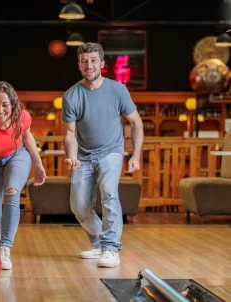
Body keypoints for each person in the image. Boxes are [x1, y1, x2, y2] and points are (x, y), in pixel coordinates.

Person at [62, 42, 143, 268]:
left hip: (111, 151)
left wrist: (135, 155)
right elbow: (70, 133)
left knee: (109, 194)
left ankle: (110, 248)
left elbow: (136, 122)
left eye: (93, 60)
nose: (89, 65)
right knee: (78, 206)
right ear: (79, 65)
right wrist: (72, 154)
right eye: (84, 61)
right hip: (84, 156)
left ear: (102, 64)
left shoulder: (118, 90)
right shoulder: (71, 95)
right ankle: (99, 243)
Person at [0, 81, 47, 270]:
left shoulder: (22, 116)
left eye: (5, 104)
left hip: (17, 156)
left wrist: (38, 164)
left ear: (12, 103)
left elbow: (27, 137)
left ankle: (5, 247)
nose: (0, 110)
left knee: (12, 192)